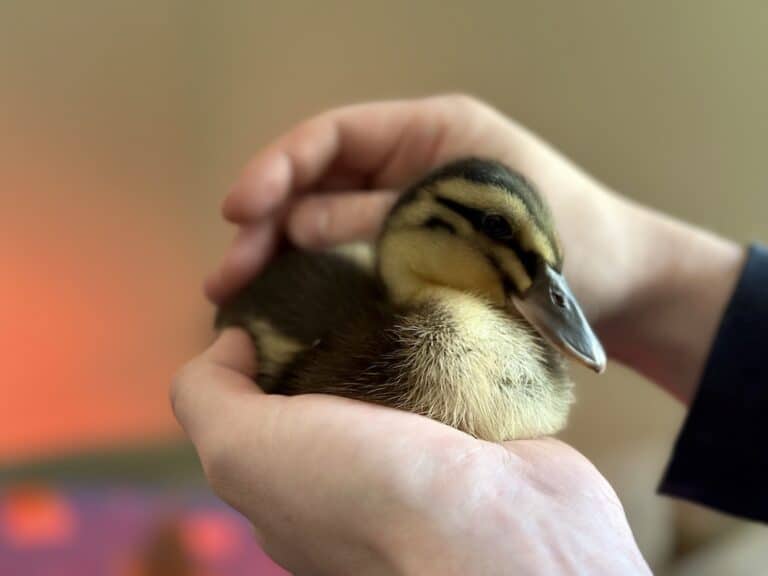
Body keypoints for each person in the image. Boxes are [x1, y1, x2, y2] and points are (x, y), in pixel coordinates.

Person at [170, 95, 766, 574]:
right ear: (421, 231)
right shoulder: (351, 338)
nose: (554, 292)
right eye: (503, 234)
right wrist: (662, 280)